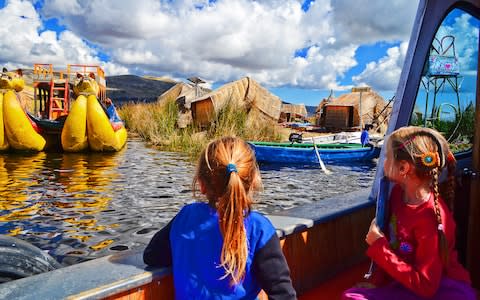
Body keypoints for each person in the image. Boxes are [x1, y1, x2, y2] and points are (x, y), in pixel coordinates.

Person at [143, 136, 296, 299]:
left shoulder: (185, 217)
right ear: (252, 183)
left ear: (201, 185)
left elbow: (151, 256)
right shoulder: (259, 229)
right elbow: (284, 295)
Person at [343, 126, 475, 300]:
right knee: (351, 296)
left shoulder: (430, 218)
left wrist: (378, 246)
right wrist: (377, 282)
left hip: (441, 290)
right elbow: (393, 244)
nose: (383, 162)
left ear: (404, 168)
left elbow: (427, 286)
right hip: (408, 280)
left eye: (387, 157)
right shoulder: (398, 194)